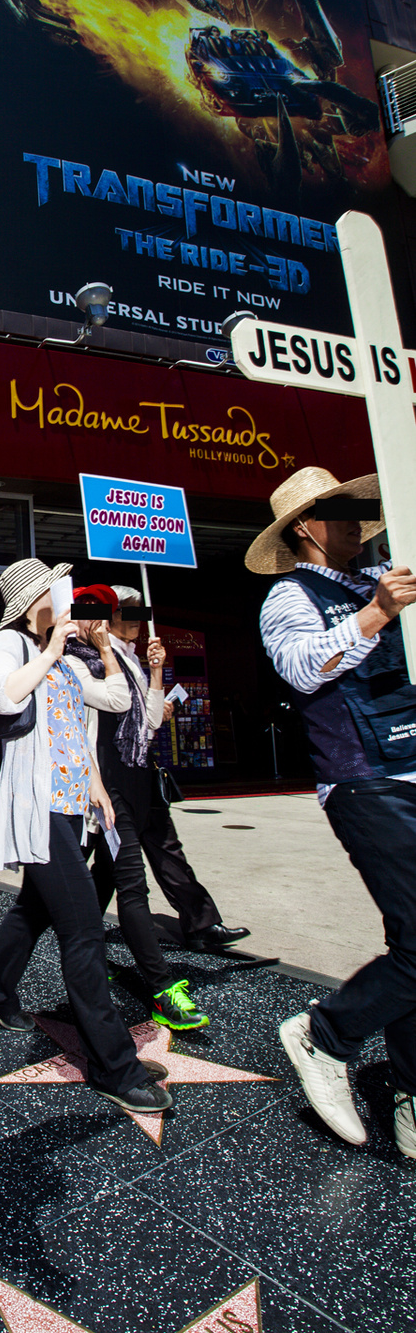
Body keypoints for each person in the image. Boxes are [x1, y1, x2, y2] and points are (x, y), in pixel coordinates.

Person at [0, 560, 173, 1116]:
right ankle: (114, 1065)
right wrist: (53, 650)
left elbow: (115, 701)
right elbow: (3, 699)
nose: (66, 603)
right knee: (83, 929)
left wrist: (105, 648)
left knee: (34, 910)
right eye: (54, 593)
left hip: (70, 804)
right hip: (36, 811)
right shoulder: (14, 643)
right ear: (34, 600)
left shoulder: (64, 658)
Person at [253, 466, 416, 1161]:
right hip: (363, 780)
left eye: (358, 509)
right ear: (302, 529)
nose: (356, 520)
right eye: (339, 511)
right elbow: (301, 667)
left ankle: (409, 1095)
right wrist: (378, 613)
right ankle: (325, 1034)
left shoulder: (381, 575)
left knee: (412, 939)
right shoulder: (287, 595)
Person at [71, 584, 210, 1031]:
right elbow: (116, 701)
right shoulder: (75, 661)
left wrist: (154, 671)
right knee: (133, 886)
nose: (125, 623)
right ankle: (161, 987)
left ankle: (81, 956)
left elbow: (149, 720)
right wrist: (108, 653)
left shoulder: (127, 657)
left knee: (105, 879)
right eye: (112, 615)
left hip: (137, 782)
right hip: (106, 787)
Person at [140, 697, 250, 951]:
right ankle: (68, 929)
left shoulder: (130, 665)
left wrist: (156, 711)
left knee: (169, 852)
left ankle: (202, 925)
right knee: (110, 867)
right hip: (113, 779)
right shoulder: (94, 664)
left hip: (143, 774)